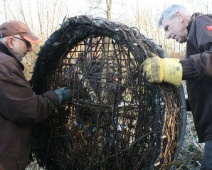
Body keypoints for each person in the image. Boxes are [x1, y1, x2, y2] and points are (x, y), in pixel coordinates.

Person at [141, 4, 212, 169]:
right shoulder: (194, 39)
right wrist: (179, 103)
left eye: (167, 27)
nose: (167, 36)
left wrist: (173, 69)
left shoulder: (202, 22)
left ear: (180, 17)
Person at [0, 21, 72, 170]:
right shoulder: (4, 66)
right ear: (11, 41)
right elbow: (30, 109)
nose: (30, 48)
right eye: (27, 43)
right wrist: (58, 95)